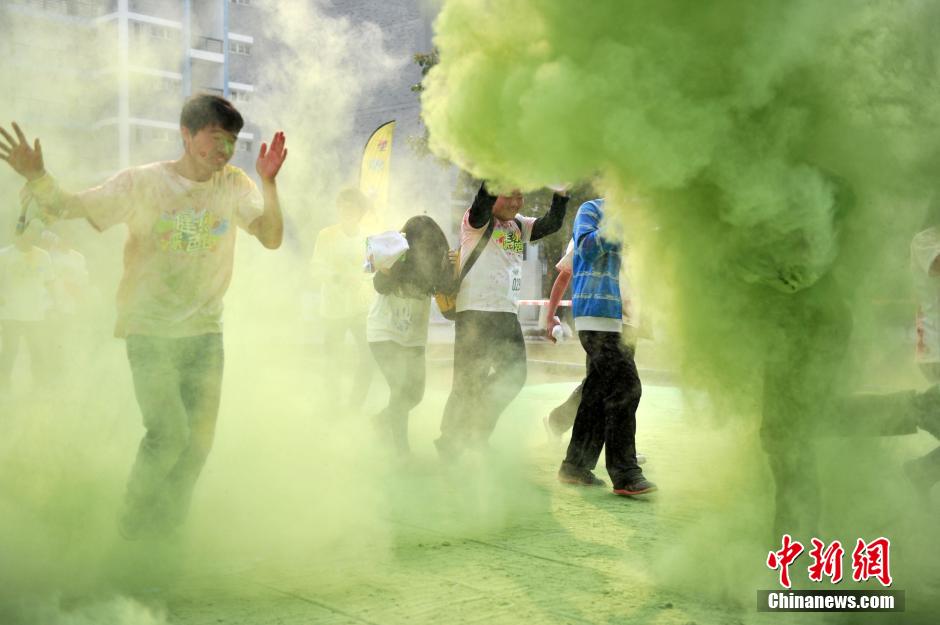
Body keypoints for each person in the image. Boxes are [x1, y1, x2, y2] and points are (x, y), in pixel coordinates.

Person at [0, 95, 288, 538]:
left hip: (205, 333)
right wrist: (37, 177)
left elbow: (270, 237)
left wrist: (268, 183)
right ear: (187, 135)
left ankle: (166, 531)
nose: (224, 150)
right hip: (149, 328)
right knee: (168, 433)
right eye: (215, 138)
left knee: (198, 444)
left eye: (231, 141)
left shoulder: (233, 184)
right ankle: (132, 526)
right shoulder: (143, 183)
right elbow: (68, 206)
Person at [436, 183, 568, 458]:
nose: (516, 202)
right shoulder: (476, 221)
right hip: (475, 314)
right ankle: (450, 443)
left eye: (520, 196)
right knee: (468, 382)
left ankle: (475, 432)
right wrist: (496, 170)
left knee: (514, 376)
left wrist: (561, 194)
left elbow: (552, 223)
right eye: (509, 195)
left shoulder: (519, 226)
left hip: (507, 314)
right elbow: (484, 198)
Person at [558, 198, 656, 496]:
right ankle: (625, 473)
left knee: (596, 393)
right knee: (626, 386)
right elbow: (587, 249)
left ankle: (575, 466)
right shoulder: (592, 210)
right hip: (598, 316)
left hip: (626, 321)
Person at [543, 237, 647, 466]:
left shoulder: (635, 231)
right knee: (619, 384)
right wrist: (550, 316)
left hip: (629, 322)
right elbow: (565, 274)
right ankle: (619, 453)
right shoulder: (587, 231)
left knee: (599, 384)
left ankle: (559, 426)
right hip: (603, 320)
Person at [368, 216, 453, 455]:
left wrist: (451, 268)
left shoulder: (437, 263)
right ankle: (401, 453)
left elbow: (448, 297)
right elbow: (379, 285)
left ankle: (381, 421)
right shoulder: (396, 256)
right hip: (384, 332)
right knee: (400, 390)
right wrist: (386, 269)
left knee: (415, 394)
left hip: (413, 338)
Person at [310, 188, 375, 411]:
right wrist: (337, 278)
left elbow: (371, 271)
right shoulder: (326, 235)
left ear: (361, 211)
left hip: (360, 307)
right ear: (338, 208)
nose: (347, 210)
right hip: (333, 308)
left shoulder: (368, 238)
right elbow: (316, 268)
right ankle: (333, 405)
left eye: (352, 207)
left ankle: (354, 405)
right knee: (332, 360)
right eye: (343, 206)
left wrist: (362, 281)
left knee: (367, 358)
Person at [0, 219, 55, 391]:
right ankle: (4, 388)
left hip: (35, 314)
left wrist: (53, 306)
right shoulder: (4, 255)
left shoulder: (43, 256)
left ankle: (39, 388)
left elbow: (50, 284)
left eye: (35, 232)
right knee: (9, 352)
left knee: (37, 352)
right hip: (10, 314)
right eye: (29, 231)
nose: (31, 235)